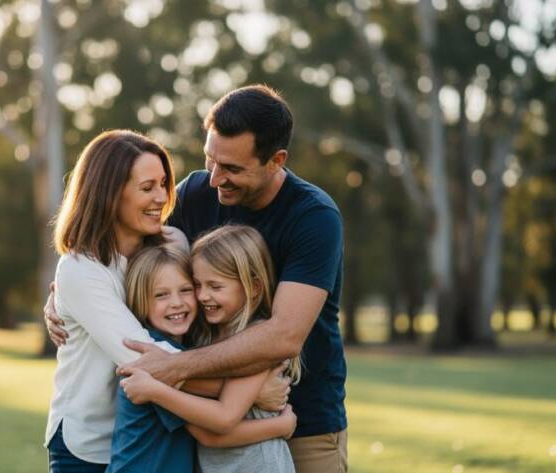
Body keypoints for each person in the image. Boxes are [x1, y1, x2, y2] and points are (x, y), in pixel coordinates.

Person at [46, 85, 347, 472]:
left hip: (300, 417)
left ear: (276, 161)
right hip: (204, 419)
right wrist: (59, 296)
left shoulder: (313, 217)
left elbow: (283, 335)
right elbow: (128, 258)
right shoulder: (197, 194)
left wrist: (180, 371)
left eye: (233, 169)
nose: (215, 178)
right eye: (211, 161)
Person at [120, 225, 300, 473]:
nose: (203, 296)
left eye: (215, 287)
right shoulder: (203, 337)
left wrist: (156, 389)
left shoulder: (255, 342)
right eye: (197, 285)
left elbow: (223, 418)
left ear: (254, 287)